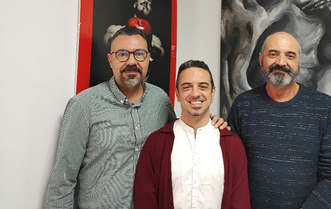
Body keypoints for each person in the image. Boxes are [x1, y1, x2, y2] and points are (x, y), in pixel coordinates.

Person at [45, 27, 227, 209]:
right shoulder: (83, 105)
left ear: (148, 58)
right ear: (110, 59)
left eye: (139, 54)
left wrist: (208, 121)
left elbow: (179, 139)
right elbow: (62, 181)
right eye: (122, 54)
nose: (131, 61)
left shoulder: (160, 99)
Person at [227, 32, 331, 209]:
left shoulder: (324, 107)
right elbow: (230, 167)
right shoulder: (243, 104)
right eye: (273, 54)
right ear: (261, 59)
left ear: (299, 62)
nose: (281, 62)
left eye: (290, 56)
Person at [133, 60, 250, 209]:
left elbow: (240, 202)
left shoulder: (232, 145)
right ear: (177, 94)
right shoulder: (156, 143)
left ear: (212, 92)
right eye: (187, 87)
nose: (195, 94)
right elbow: (145, 200)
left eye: (203, 87)